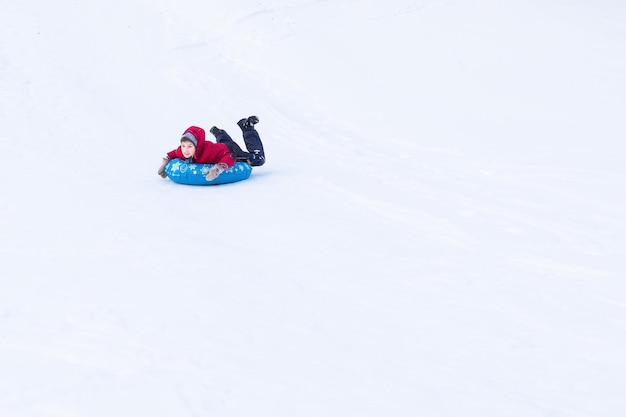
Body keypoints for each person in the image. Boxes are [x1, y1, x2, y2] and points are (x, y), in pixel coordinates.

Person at [158, 116, 266, 181]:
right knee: (224, 143)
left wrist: (218, 168)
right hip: (221, 147)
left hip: (231, 151)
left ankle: (248, 128)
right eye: (183, 146)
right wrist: (165, 163)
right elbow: (173, 154)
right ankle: (219, 133)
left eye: (190, 146)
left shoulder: (208, 152)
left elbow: (229, 156)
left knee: (259, 159)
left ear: (197, 146)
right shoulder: (183, 151)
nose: (185, 150)